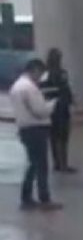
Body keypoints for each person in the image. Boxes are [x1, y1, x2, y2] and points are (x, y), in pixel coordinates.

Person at [10, 59, 61, 210]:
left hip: (25, 129)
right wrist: (52, 104)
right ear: (35, 70)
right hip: (36, 129)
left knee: (33, 164)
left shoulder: (16, 86)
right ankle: (45, 199)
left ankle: (26, 197)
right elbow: (40, 111)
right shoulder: (29, 88)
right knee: (41, 165)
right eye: (40, 73)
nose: (40, 77)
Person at [40, 48, 76, 173]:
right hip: (59, 108)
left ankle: (58, 163)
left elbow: (45, 91)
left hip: (54, 108)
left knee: (55, 137)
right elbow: (64, 90)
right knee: (61, 137)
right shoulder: (57, 73)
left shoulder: (47, 74)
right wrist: (68, 100)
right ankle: (63, 164)